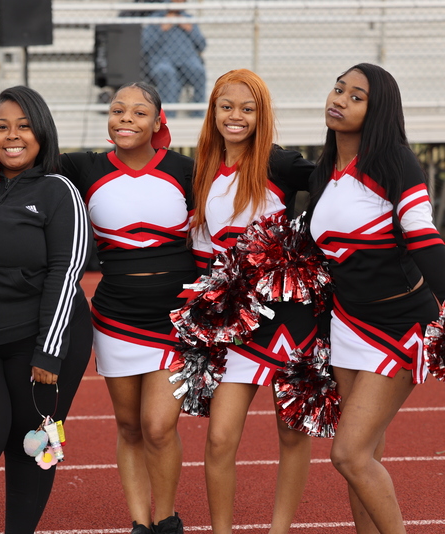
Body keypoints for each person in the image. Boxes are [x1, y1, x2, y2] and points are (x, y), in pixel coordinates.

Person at [0, 85, 92, 534]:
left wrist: (49, 351)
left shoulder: (57, 190)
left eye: (24, 126)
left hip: (42, 335)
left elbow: (66, 272)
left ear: (42, 132)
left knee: (32, 445)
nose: (13, 136)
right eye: (1, 126)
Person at [308, 63, 445, 533]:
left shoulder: (395, 163)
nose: (340, 98)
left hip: (399, 323)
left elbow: (424, 237)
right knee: (363, 455)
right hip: (348, 322)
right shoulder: (325, 170)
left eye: (356, 96)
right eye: (339, 87)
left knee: (347, 454)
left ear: (378, 109)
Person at [59, 81, 194, 534]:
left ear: (158, 122)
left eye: (139, 113)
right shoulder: (84, 168)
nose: (126, 120)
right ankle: (139, 523)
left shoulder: (186, 170)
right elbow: (20, 155)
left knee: (158, 426)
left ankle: (167, 518)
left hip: (174, 318)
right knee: (129, 426)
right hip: (116, 315)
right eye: (118, 111)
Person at [190, 69, 315, 534]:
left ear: (261, 114)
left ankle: (278, 530)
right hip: (234, 325)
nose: (236, 116)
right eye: (227, 106)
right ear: (214, 111)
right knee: (220, 439)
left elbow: (332, 180)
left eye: (248, 108)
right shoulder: (200, 169)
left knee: (291, 433)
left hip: (289, 318)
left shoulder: (281, 164)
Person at [141, 0, 206, 118]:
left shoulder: (188, 19)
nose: (178, 4)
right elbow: (145, 46)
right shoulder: (155, 19)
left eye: (181, 1)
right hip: (162, 60)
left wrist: (190, 29)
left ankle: (198, 115)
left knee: (199, 71)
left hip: (187, 59)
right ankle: (168, 117)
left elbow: (202, 45)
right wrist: (161, 29)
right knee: (166, 72)